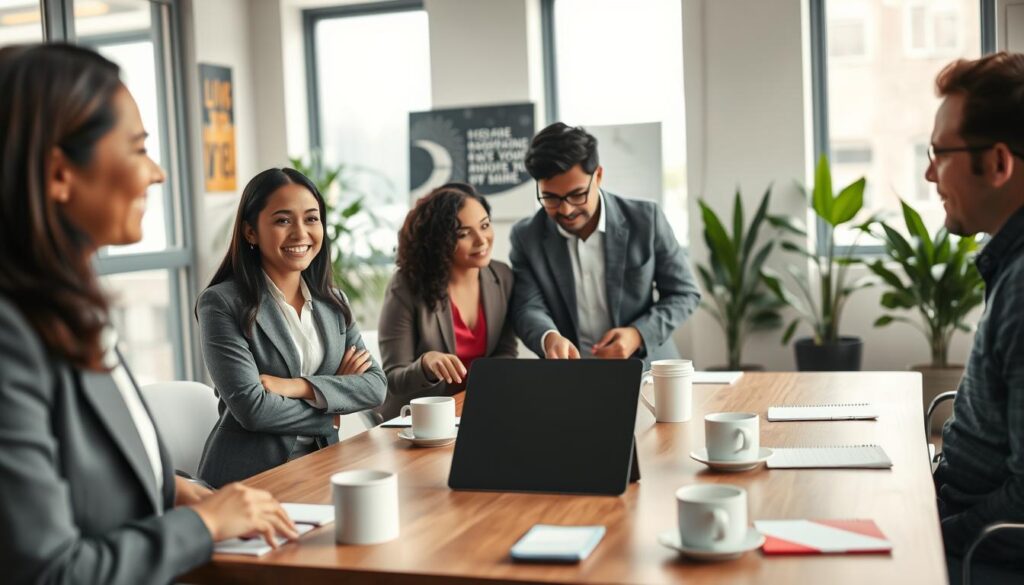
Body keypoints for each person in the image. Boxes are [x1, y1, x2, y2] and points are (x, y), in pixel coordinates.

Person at [0, 44, 298, 585]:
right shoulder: (11, 336)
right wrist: (203, 525)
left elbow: (82, 475)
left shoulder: (70, 308)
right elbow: (47, 572)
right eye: (138, 149)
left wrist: (168, 486)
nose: (157, 174)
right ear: (59, 173)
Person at [196, 167, 387, 487]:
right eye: (283, 220)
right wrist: (331, 411)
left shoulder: (333, 303)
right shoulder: (222, 304)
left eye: (312, 219)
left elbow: (375, 386)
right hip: (252, 480)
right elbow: (253, 409)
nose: (301, 233)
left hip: (323, 467)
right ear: (250, 232)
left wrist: (299, 386)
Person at [927, 52, 1024, 584]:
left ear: (998, 163)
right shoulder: (1011, 264)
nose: (928, 173)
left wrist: (922, 530)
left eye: (938, 153)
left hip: (978, 553)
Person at [509, 122, 701, 365]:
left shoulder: (646, 219)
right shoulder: (526, 237)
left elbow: (684, 293)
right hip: (571, 378)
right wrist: (549, 338)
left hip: (648, 372)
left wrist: (637, 335)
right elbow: (527, 307)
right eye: (550, 198)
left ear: (598, 176)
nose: (566, 210)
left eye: (577, 194)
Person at [378, 182, 518, 420]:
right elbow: (393, 379)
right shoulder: (406, 285)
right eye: (463, 234)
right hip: (419, 422)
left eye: (484, 226)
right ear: (439, 241)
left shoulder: (502, 276)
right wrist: (426, 366)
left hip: (480, 409)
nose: (481, 240)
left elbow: (505, 351)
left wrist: (485, 385)